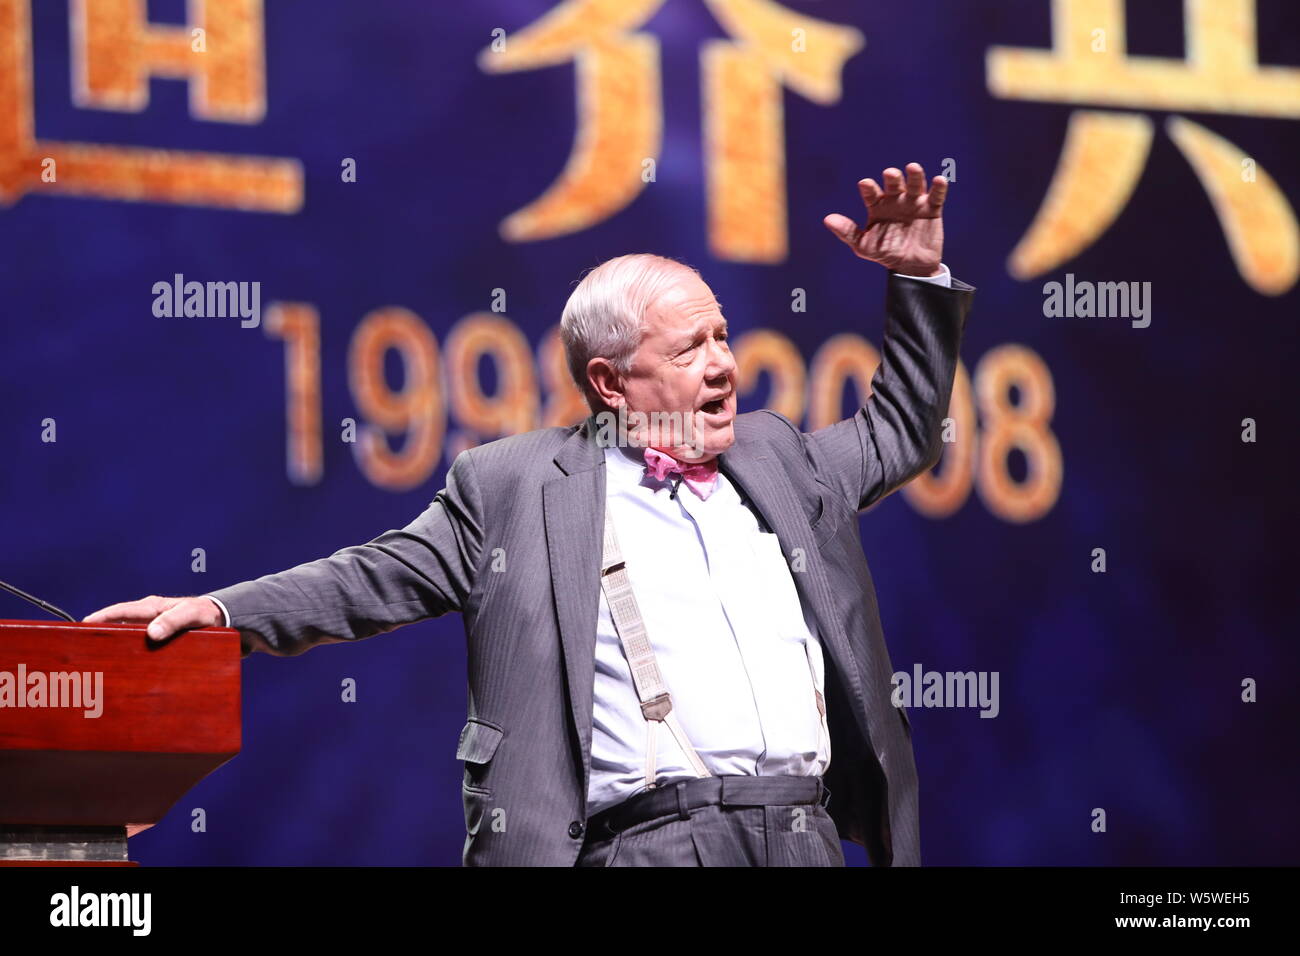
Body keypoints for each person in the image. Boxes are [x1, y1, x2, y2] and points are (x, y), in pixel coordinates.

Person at [87, 163, 975, 866]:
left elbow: (902, 430)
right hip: (643, 847)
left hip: (802, 838)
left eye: (721, 337)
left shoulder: (779, 456)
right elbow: (371, 575)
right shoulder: (514, 485)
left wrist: (921, 279)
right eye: (688, 348)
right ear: (610, 382)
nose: (723, 366)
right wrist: (221, 611)